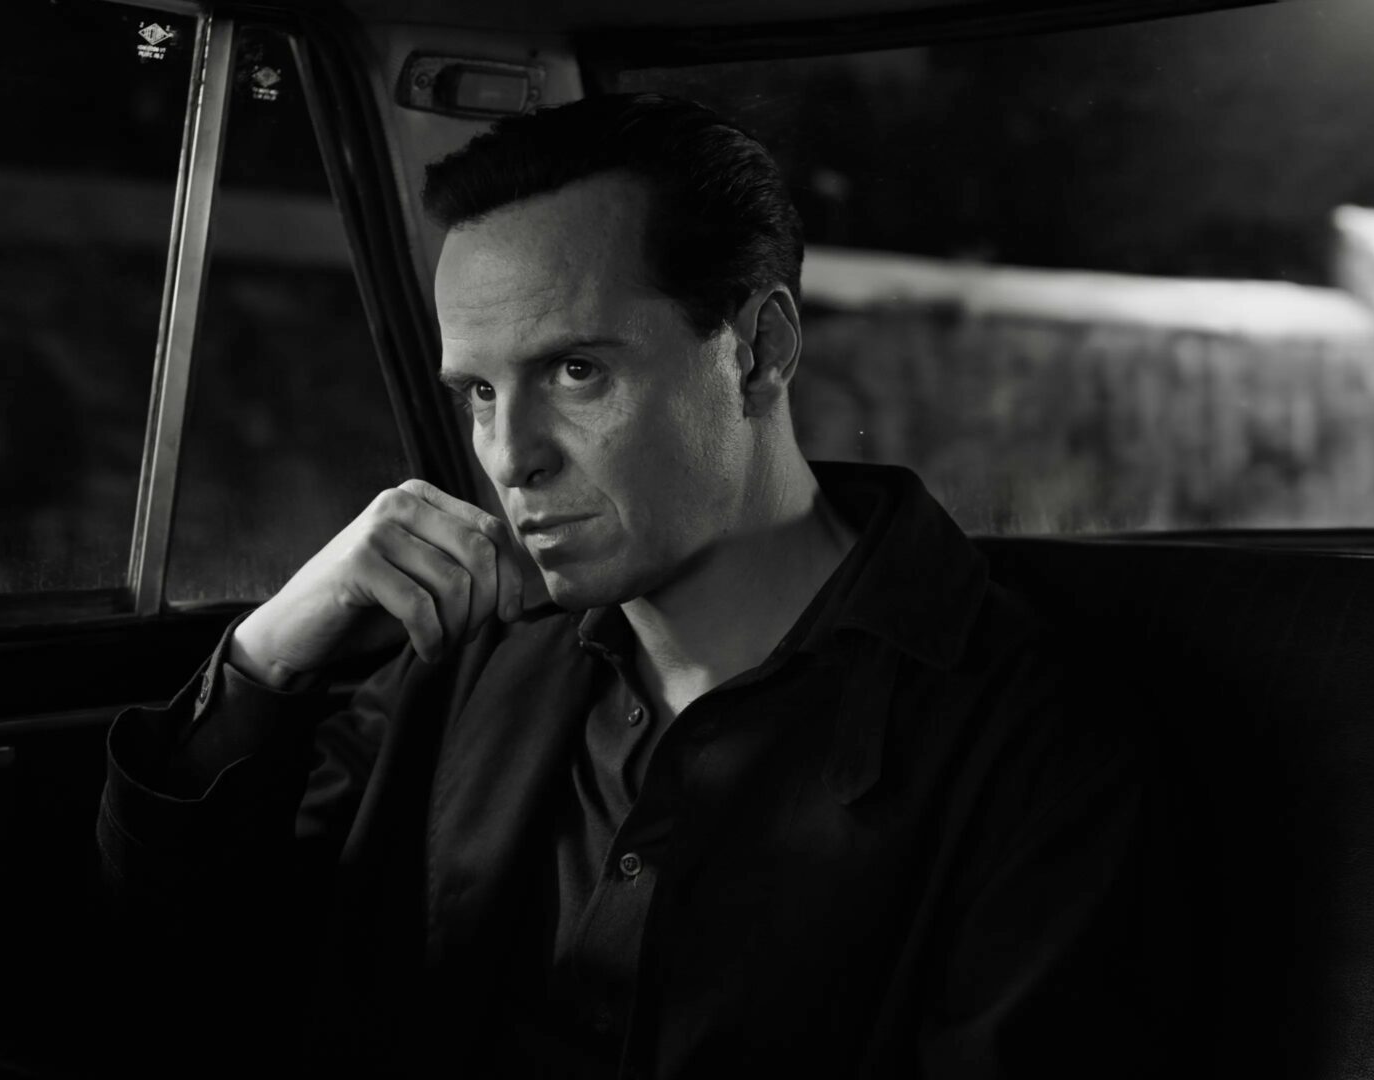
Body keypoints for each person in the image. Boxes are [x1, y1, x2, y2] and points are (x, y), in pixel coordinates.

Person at [97, 92, 1170, 1077]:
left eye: (577, 372)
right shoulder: (469, 654)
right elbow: (185, 970)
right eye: (478, 393)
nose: (509, 456)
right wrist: (266, 658)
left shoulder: (1024, 738)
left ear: (758, 351)